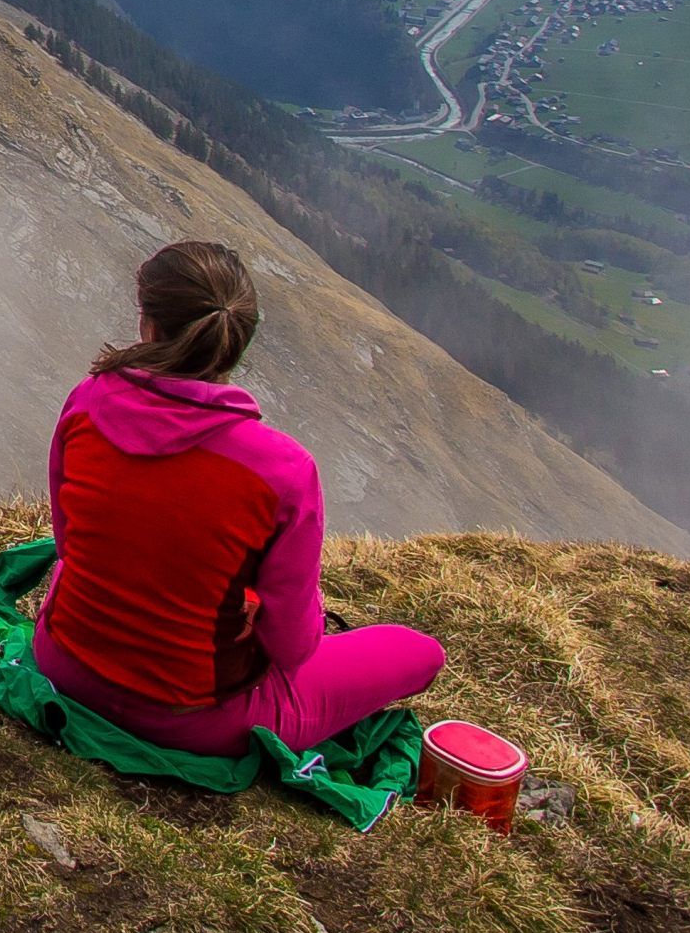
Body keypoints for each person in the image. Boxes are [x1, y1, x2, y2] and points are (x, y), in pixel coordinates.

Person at [28, 239, 443, 755]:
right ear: (238, 341)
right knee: (419, 652)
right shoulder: (283, 469)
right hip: (188, 720)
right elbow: (292, 648)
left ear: (148, 324)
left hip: (63, 664)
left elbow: (69, 546)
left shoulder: (88, 401)